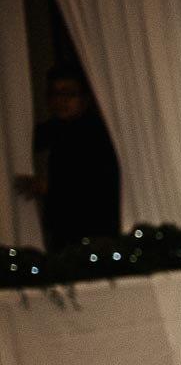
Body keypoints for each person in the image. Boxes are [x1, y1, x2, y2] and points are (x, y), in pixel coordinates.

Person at [14, 63, 120, 251]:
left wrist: (50, 187)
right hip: (64, 232)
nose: (60, 101)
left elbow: (97, 183)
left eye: (68, 94)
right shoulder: (57, 129)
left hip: (94, 231)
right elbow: (25, 139)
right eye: (54, 94)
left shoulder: (96, 133)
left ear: (85, 99)